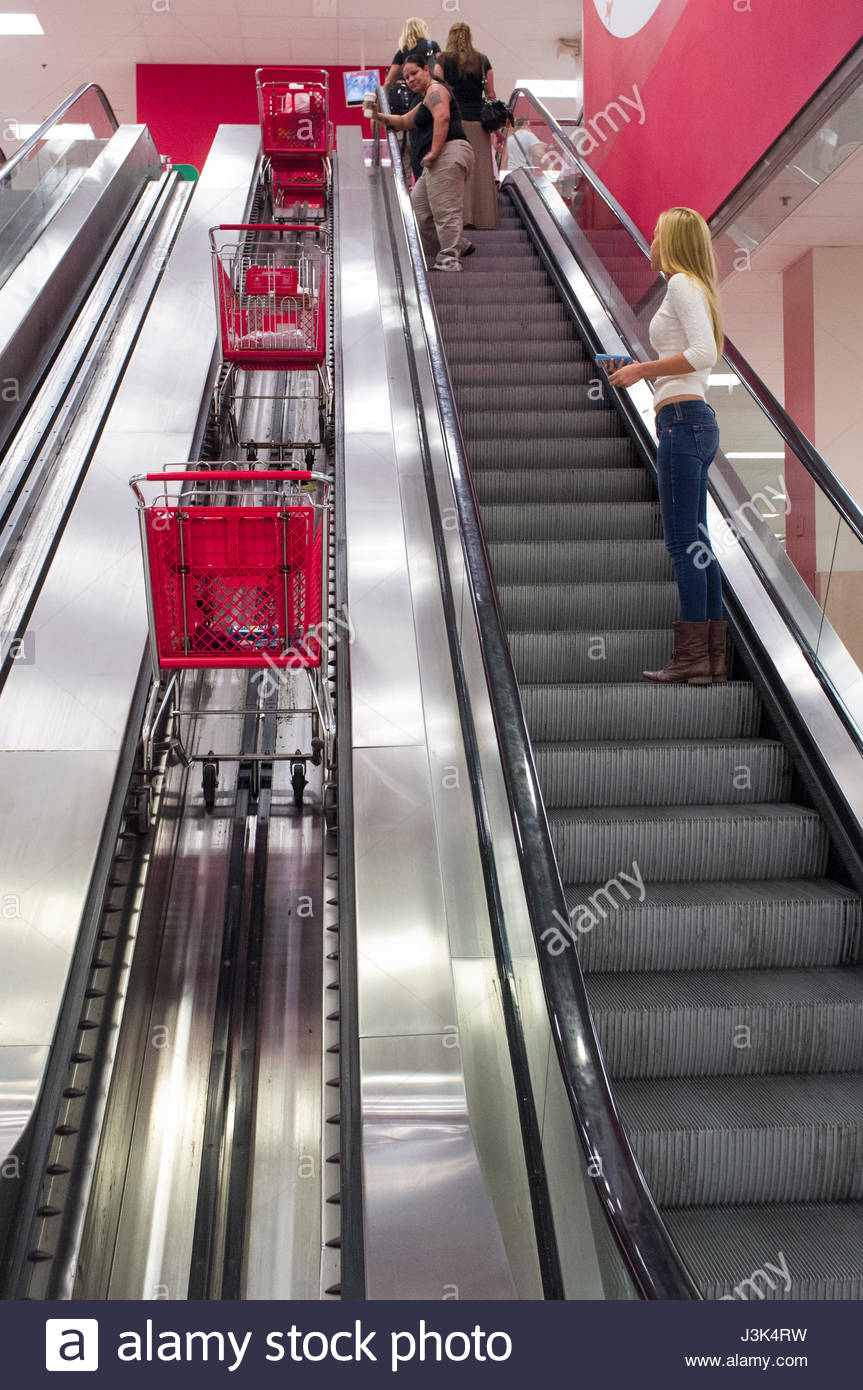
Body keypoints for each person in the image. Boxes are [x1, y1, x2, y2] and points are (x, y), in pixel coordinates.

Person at [608, 207, 725, 684]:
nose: (650, 240)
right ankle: (711, 660)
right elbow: (695, 354)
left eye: (656, 233)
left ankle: (692, 659)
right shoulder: (695, 287)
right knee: (700, 544)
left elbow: (703, 354)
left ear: (671, 240)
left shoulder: (680, 283)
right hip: (691, 419)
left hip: (682, 421)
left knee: (683, 543)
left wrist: (640, 371)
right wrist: (642, 367)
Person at [373, 49, 475, 273]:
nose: (410, 80)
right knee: (417, 214)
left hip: (448, 152)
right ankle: (459, 245)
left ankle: (449, 260)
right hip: (435, 161)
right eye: (406, 77)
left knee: (445, 210)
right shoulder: (426, 97)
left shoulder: (436, 89)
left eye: (414, 73)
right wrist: (376, 115)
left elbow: (443, 117)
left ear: (427, 69)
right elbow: (403, 121)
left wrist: (435, 151)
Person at [440, 23, 499, 230]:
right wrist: (498, 129)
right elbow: (491, 95)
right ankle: (484, 219)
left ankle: (459, 219)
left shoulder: (443, 60)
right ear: (470, 37)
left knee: (456, 170)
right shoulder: (482, 60)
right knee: (481, 171)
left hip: (454, 123)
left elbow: (437, 91)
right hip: (479, 123)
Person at [384, 17, 443, 184]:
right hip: (434, 96)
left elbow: (389, 81)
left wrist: (380, 97)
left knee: (415, 143)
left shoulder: (403, 51)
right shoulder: (432, 46)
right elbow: (442, 66)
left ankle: (419, 182)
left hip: (416, 100)